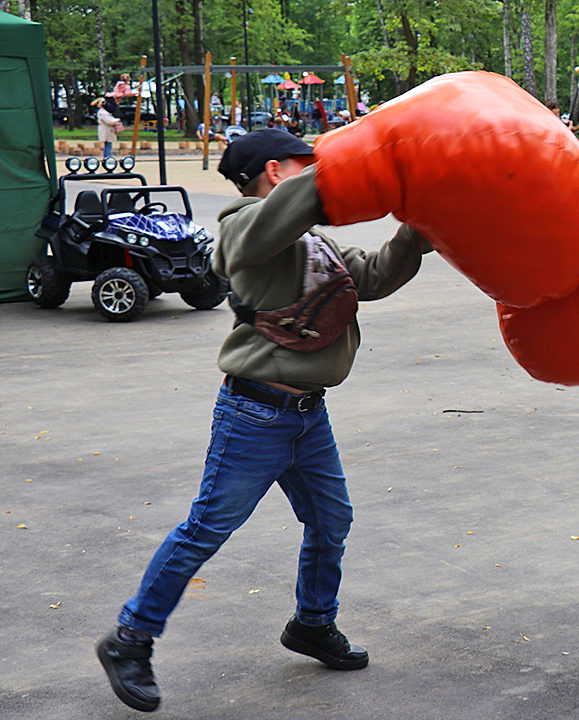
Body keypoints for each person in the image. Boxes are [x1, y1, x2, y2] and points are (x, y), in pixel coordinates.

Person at [96, 128, 432, 713]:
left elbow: (374, 275)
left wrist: (417, 226)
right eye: (307, 160)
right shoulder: (241, 228)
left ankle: (312, 624)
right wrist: (338, 171)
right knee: (206, 529)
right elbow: (248, 242)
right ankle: (130, 639)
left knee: (331, 522)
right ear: (277, 172)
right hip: (254, 415)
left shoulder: (312, 243)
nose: (318, 164)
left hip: (307, 417)